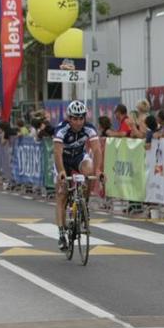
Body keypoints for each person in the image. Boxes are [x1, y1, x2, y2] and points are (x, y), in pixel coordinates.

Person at [52, 101, 103, 250]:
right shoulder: (61, 130)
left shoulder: (89, 128)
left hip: (79, 157)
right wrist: (61, 171)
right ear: (69, 118)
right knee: (62, 194)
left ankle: (84, 204)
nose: (78, 122)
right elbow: (57, 153)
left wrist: (98, 170)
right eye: (75, 118)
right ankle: (62, 233)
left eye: (81, 118)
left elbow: (97, 150)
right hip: (63, 160)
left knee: (89, 170)